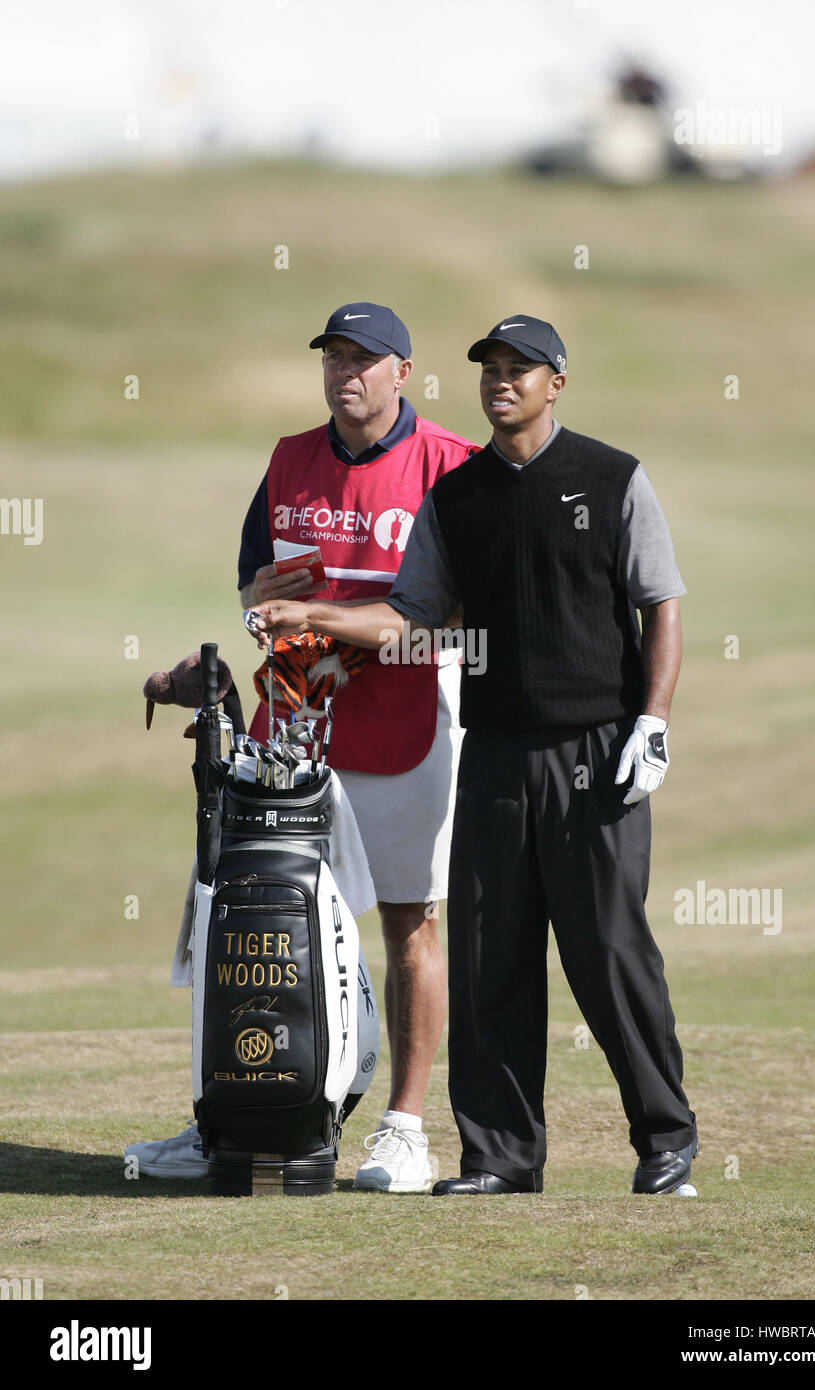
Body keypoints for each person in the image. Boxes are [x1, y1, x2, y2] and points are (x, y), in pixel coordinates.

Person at [247, 313, 698, 1197]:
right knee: (491, 954)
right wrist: (322, 626)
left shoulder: (612, 478)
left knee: (607, 951)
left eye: (519, 369)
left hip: (595, 749)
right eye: (490, 368)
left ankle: (666, 1141)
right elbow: (414, 619)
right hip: (492, 749)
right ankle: (500, 1157)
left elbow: (663, 602)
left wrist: (654, 720)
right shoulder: (457, 496)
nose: (501, 381)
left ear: (554, 383)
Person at [126, 303, 476, 1194]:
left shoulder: (449, 465)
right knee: (243, 920)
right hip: (289, 721)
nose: (344, 372)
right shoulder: (290, 460)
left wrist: (337, 628)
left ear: (404, 370)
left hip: (407, 725)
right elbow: (254, 584)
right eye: (333, 357)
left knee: (408, 924)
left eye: (364, 358)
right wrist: (260, 603)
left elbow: (463, 623)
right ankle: (233, 1121)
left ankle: (404, 1130)